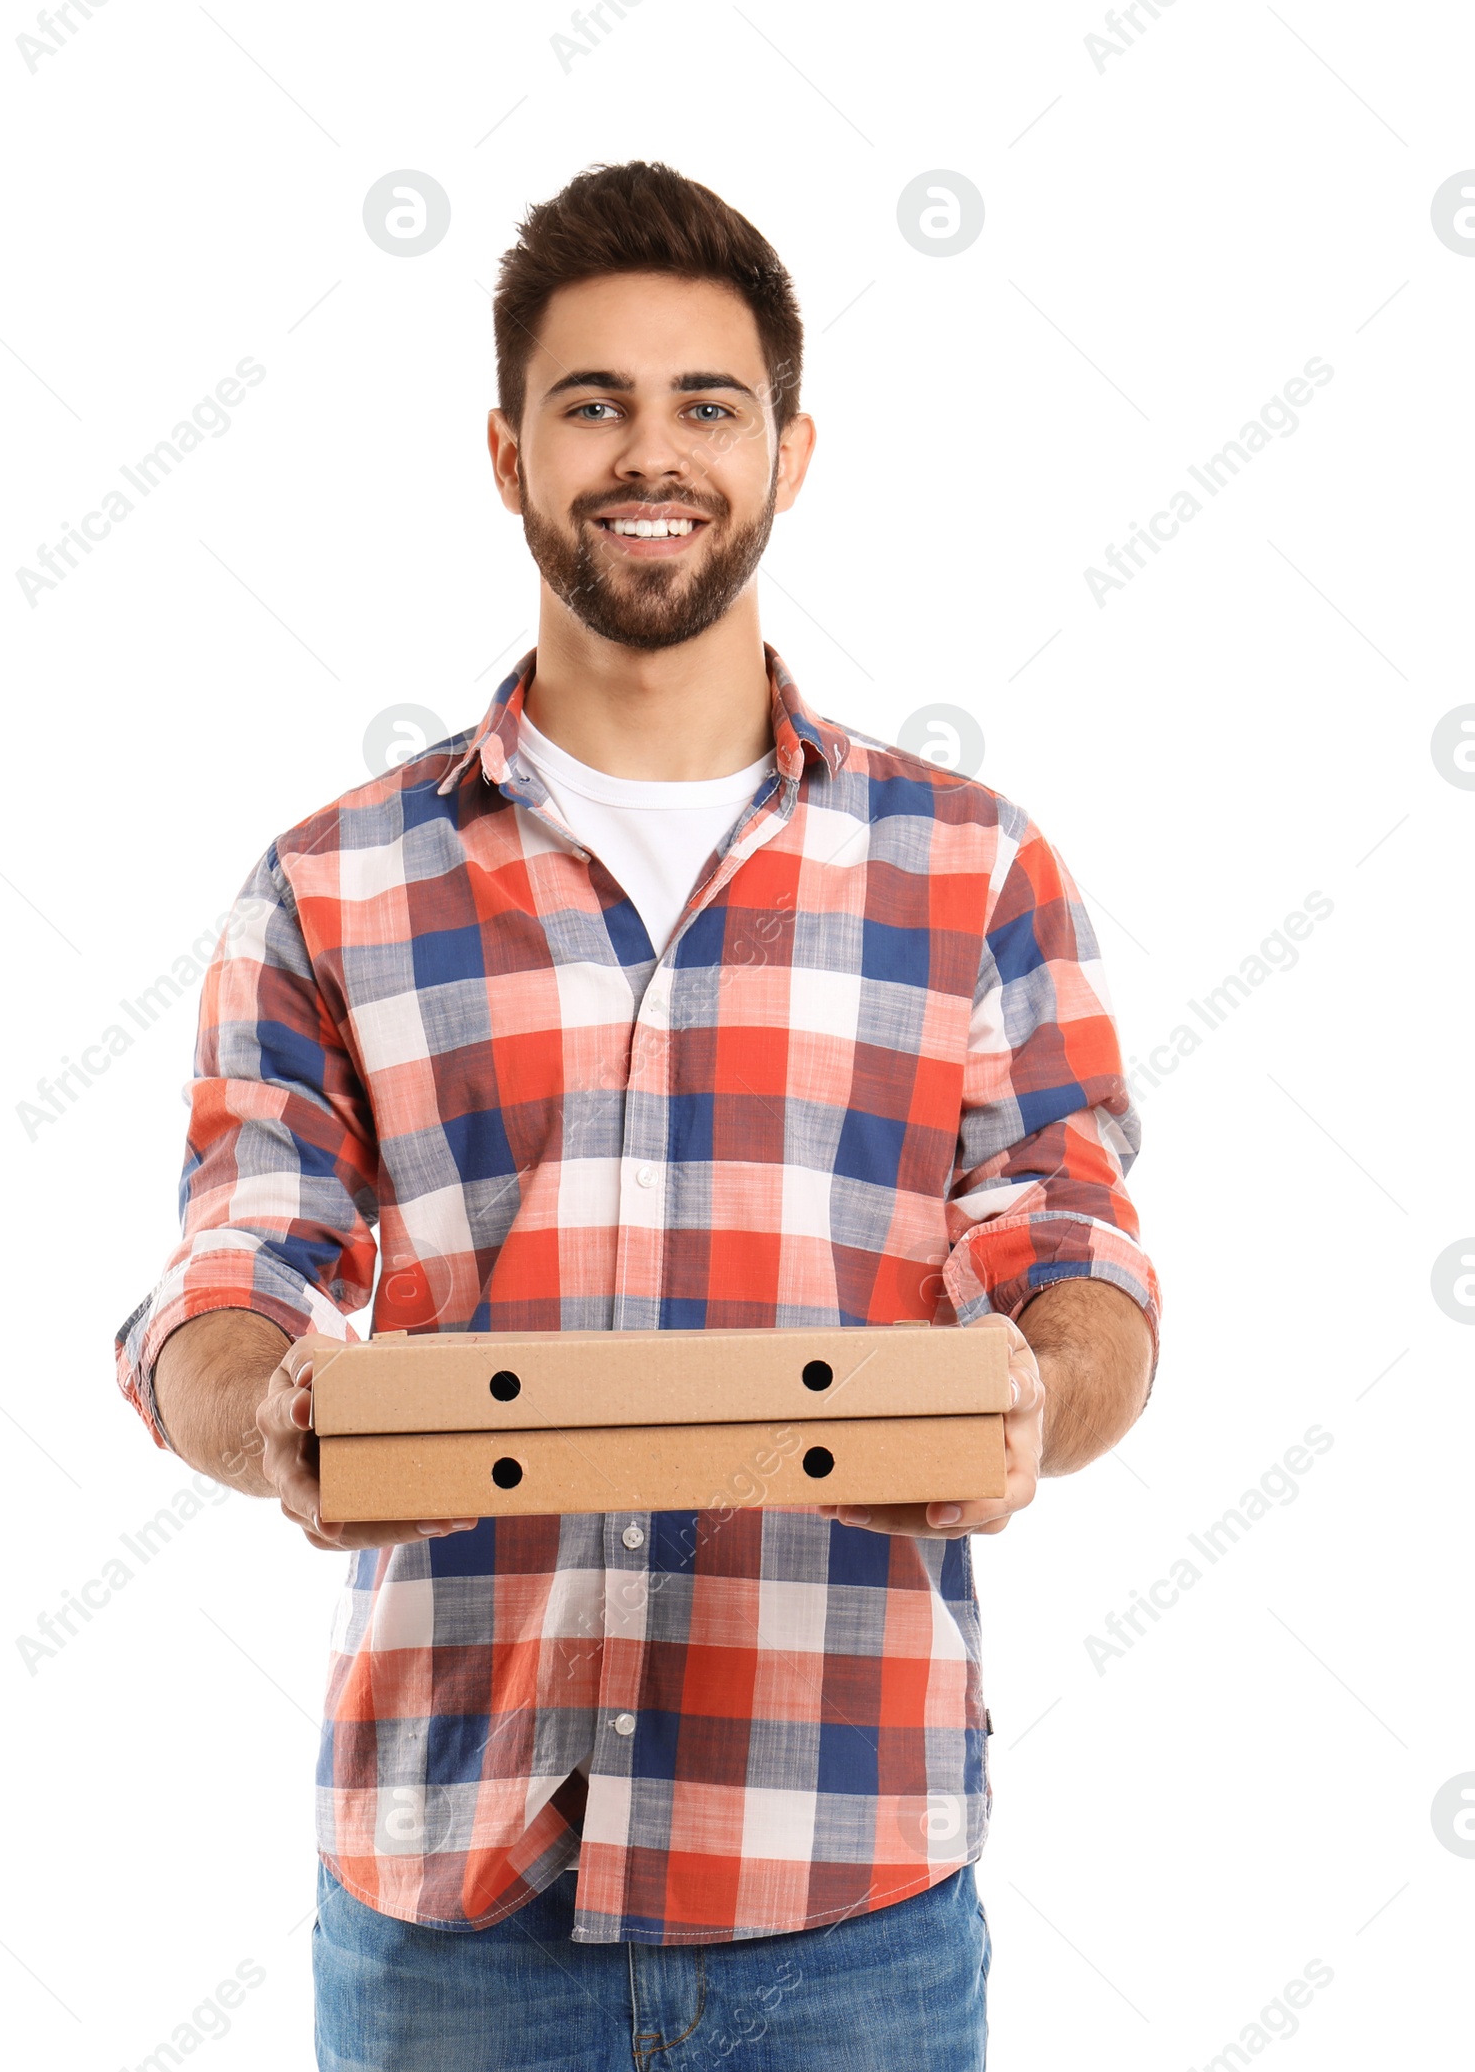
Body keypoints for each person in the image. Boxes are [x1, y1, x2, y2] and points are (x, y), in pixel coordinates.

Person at [116, 160, 1160, 2071]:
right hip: (452, 1899)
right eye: (593, 403)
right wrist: (259, 1407)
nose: (648, 454)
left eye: (707, 405)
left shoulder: (974, 871)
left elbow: (1078, 1260)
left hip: (846, 1896)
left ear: (790, 451)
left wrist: (1038, 1393)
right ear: (506, 450)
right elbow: (229, 1268)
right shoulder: (334, 885)